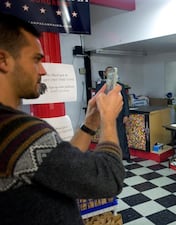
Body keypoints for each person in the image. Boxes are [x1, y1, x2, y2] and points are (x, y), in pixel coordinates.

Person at [0, 13, 125, 225]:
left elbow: (62, 167)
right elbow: (108, 178)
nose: (43, 70)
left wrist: (90, 124)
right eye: (36, 60)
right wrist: (108, 120)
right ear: (3, 60)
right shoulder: (20, 131)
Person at [96, 66, 130, 160]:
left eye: (112, 72)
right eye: (108, 72)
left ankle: (125, 155)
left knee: (121, 136)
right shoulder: (101, 86)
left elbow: (125, 101)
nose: (110, 74)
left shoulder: (120, 86)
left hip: (119, 115)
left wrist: (126, 115)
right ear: (105, 73)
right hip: (106, 116)